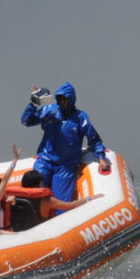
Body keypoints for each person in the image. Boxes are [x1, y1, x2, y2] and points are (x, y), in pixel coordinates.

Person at [21, 81, 110, 212]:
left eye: (64, 99)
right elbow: (26, 121)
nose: (61, 102)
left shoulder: (80, 117)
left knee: (62, 207)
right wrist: (34, 103)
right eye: (59, 98)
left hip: (65, 166)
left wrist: (101, 157)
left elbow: (94, 139)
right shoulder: (49, 111)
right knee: (32, 197)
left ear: (71, 99)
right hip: (45, 161)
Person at [19, 170, 103, 217]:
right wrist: (90, 198)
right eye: (42, 183)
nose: (43, 186)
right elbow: (71, 205)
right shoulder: (46, 201)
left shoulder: (16, 199)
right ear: (36, 186)